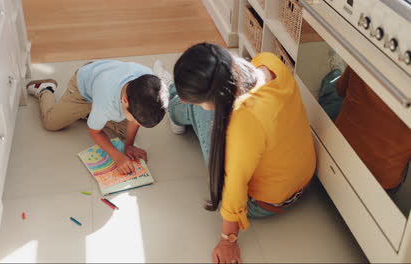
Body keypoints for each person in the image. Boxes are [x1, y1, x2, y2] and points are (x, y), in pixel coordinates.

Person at [154, 43, 316, 263]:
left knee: (198, 110)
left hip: (264, 205)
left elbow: (234, 184)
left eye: (189, 95)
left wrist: (227, 240)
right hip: (303, 179)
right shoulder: (269, 62)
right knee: (202, 103)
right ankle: (174, 90)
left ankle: (171, 103)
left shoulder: (244, 121)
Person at [27, 60, 169, 174]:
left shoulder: (150, 83)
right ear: (125, 101)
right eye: (134, 119)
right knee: (51, 122)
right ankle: (44, 89)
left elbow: (134, 121)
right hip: (82, 88)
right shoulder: (105, 101)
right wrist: (117, 156)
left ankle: (91, 115)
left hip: (103, 75)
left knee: (124, 130)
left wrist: (129, 145)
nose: (134, 123)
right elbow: (94, 132)